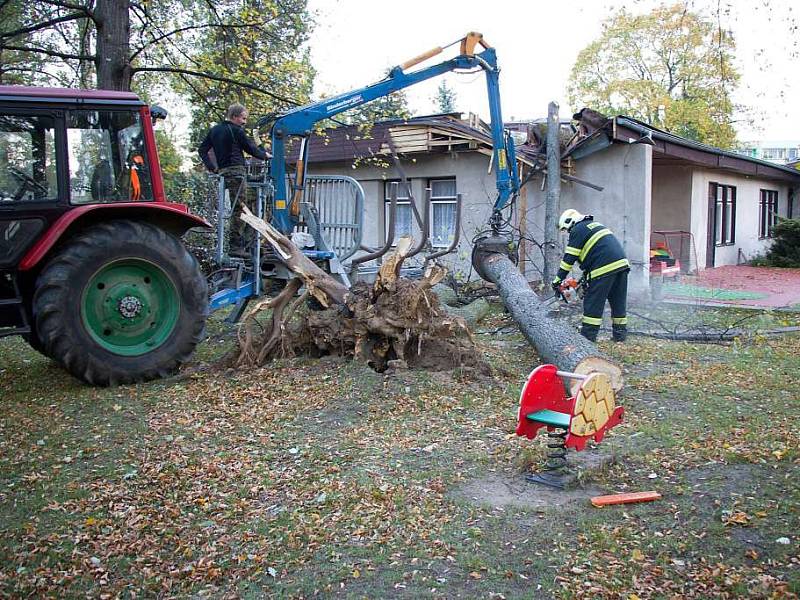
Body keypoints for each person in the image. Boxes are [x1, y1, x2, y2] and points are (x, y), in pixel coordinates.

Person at [198, 103, 270, 255]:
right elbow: (250, 148)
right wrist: (265, 156)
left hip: (223, 172)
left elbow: (202, 150)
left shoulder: (215, 130)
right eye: (243, 118)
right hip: (236, 172)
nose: (244, 122)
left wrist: (212, 167)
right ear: (234, 116)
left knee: (239, 205)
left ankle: (241, 243)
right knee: (240, 208)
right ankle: (236, 246)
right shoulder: (236, 131)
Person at [552, 209, 630, 342]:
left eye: (567, 229)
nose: (568, 233)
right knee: (618, 301)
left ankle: (588, 338)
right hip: (621, 265)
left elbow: (569, 258)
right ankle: (620, 335)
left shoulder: (577, 230)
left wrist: (557, 280)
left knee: (593, 303)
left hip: (604, 268)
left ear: (570, 222)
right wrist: (583, 280)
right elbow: (596, 254)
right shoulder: (594, 226)